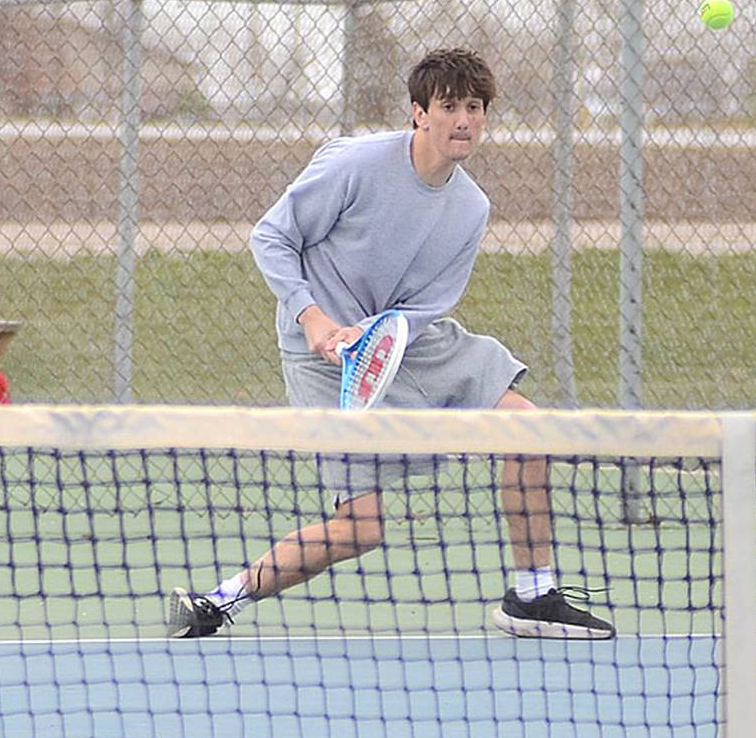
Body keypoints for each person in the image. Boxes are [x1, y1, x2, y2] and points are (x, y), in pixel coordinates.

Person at [166, 47, 613, 642]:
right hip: (321, 354)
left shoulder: (470, 207)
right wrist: (316, 320)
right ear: (418, 113)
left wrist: (381, 334)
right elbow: (272, 237)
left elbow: (430, 301)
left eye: (474, 108)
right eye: (448, 106)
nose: (463, 120)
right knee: (361, 529)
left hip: (412, 342)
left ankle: (532, 595)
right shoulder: (355, 164)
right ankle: (216, 602)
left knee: (528, 430)